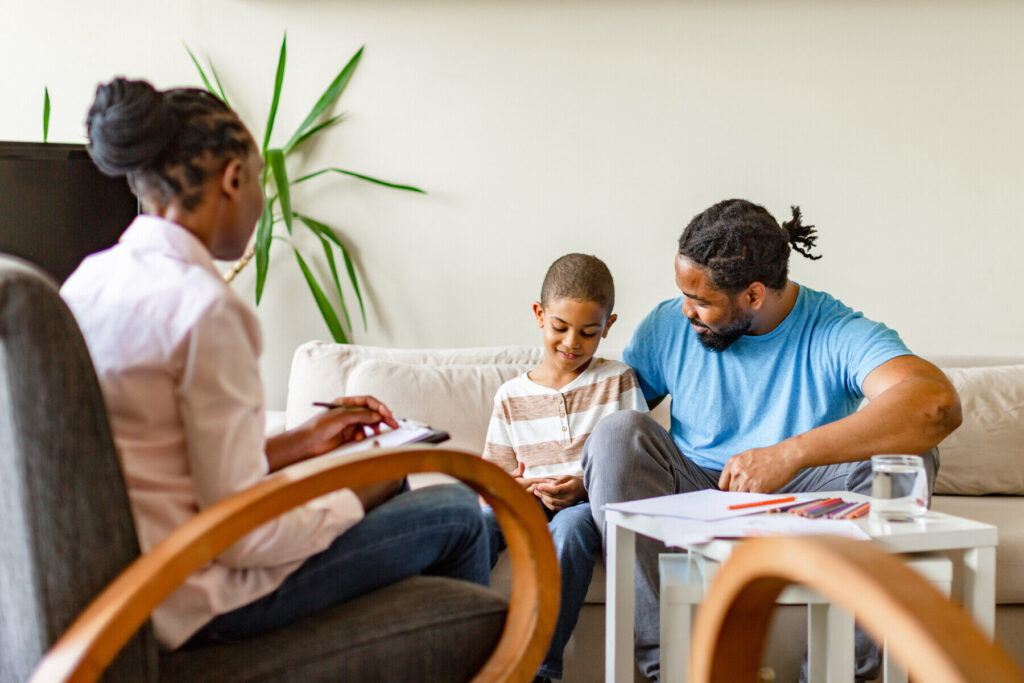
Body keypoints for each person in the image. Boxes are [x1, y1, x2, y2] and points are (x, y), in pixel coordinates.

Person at [61, 77, 490, 651]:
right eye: (260, 178)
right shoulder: (204, 309)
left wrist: (303, 443)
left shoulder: (89, 280)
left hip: (126, 590)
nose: (262, 198)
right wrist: (361, 492)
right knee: (459, 512)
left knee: (450, 513)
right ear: (233, 180)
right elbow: (243, 539)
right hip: (197, 599)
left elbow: (170, 466)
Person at [581, 199, 962, 682]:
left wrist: (789, 453)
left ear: (755, 295)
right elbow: (607, 413)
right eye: (683, 292)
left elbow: (936, 404)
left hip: (808, 500)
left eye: (701, 300)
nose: (686, 309)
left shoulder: (834, 329)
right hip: (695, 488)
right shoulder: (667, 326)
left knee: (907, 454)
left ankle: (838, 675)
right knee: (615, 433)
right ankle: (675, 672)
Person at [481, 253, 647, 682]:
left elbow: (636, 464)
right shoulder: (510, 396)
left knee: (569, 530)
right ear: (540, 315)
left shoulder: (618, 381)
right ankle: (462, 644)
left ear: (608, 327)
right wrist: (513, 488)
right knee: (477, 523)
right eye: (560, 328)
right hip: (529, 501)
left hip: (586, 504)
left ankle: (538, 669)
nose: (572, 342)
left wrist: (582, 487)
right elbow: (493, 480)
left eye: (589, 333)